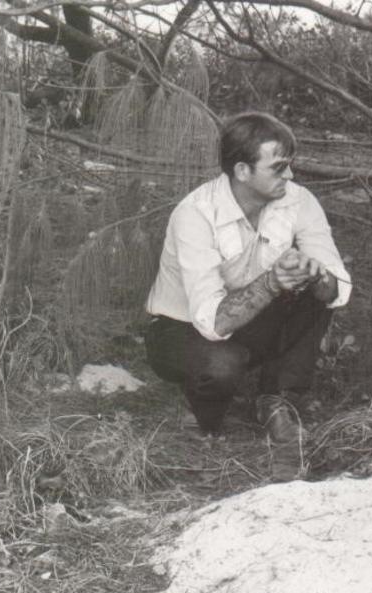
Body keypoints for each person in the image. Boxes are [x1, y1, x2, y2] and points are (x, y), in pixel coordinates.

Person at [144, 112, 350, 443]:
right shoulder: (195, 213)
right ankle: (204, 417)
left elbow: (338, 287)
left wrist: (315, 274)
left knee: (316, 287)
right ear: (242, 171)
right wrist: (272, 281)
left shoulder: (298, 200)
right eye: (279, 167)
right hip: (179, 328)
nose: (291, 174)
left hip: (249, 320)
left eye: (290, 165)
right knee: (223, 364)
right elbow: (211, 322)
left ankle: (274, 399)